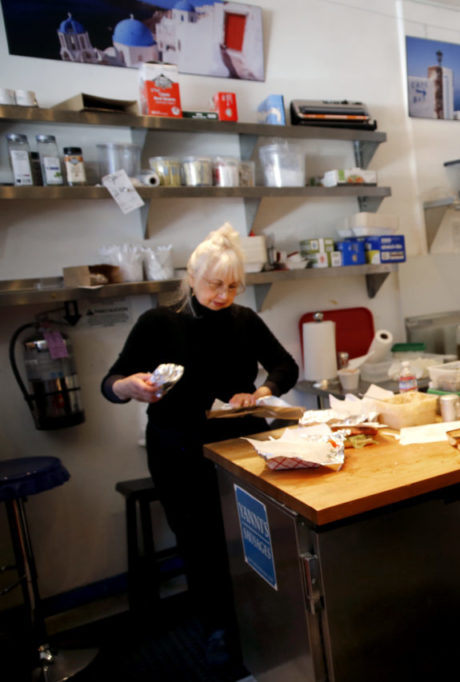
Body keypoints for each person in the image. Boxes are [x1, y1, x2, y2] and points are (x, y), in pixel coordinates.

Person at [101, 224, 298, 666]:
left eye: (231, 286)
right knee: (201, 545)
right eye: (213, 284)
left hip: (239, 445)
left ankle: (265, 621)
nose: (222, 295)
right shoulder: (158, 324)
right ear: (191, 277)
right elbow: (110, 382)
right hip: (179, 451)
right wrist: (130, 387)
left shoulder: (244, 321)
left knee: (252, 538)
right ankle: (219, 632)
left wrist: (261, 394)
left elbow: (285, 366)